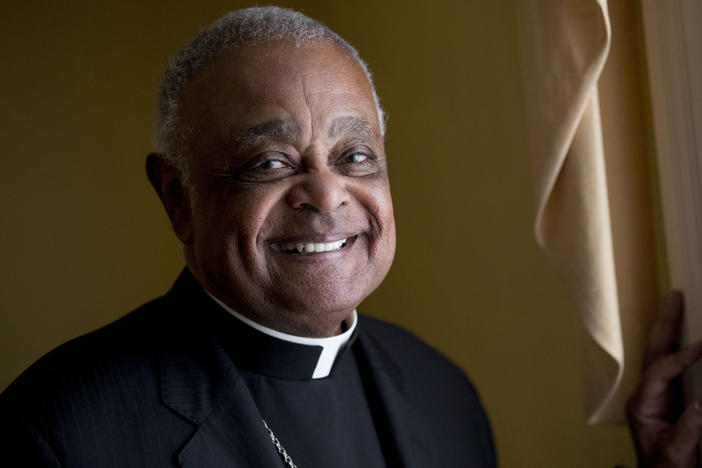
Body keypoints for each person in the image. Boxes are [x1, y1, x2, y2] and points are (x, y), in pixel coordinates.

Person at [0, 6, 698, 468]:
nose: (327, 195)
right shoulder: (60, 432)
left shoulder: (441, 390)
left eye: (354, 157)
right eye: (270, 163)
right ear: (177, 198)